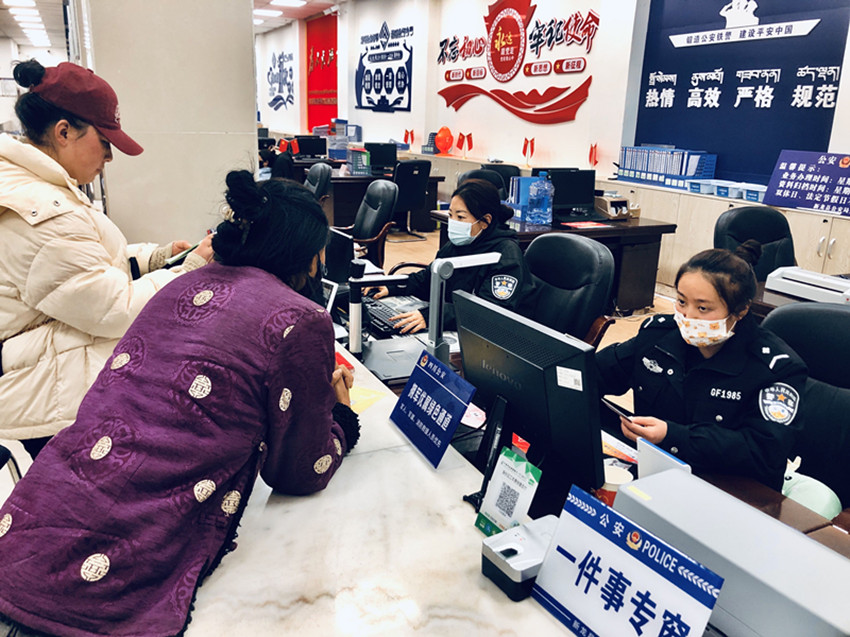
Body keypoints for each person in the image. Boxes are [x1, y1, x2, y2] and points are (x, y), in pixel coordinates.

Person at [0, 172, 360, 637]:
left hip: (29, 528)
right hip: (105, 583)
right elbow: (301, 471)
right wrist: (340, 416)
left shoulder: (180, 284)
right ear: (309, 255)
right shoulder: (300, 319)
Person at [0, 60, 214, 459]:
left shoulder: (40, 186)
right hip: (51, 401)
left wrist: (153, 259)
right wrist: (189, 271)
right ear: (64, 132)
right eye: (104, 142)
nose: (110, 157)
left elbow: (79, 268)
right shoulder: (39, 208)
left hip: (48, 382)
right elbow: (113, 309)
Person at [596, 241, 806, 492]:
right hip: (655, 474)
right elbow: (596, 372)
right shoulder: (658, 336)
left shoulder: (775, 368)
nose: (688, 316)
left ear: (741, 310)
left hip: (730, 490)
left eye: (703, 308)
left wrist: (672, 435)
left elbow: (763, 451)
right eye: (681, 301)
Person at [367, 178, 536, 333]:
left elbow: (489, 312)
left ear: (485, 221)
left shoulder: (506, 256)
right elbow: (428, 279)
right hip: (459, 326)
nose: (453, 222)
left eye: (461, 217)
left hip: (497, 337)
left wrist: (434, 316)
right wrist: (391, 286)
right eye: (450, 215)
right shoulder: (460, 243)